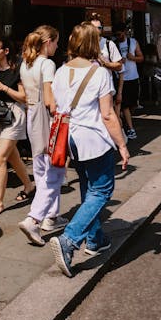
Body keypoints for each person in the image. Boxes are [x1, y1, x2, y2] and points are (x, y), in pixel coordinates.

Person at [49, 22, 129, 277]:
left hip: (70, 138)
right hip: (93, 139)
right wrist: (123, 145)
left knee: (87, 185)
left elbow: (55, 106)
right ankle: (69, 240)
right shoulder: (100, 73)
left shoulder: (61, 71)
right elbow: (107, 115)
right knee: (103, 189)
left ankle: (94, 240)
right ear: (95, 43)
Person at [18, 25, 68, 246]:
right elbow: (49, 97)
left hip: (31, 116)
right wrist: (60, 112)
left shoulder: (25, 64)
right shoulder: (47, 64)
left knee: (40, 169)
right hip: (44, 118)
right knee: (55, 169)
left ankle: (52, 215)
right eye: (56, 42)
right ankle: (35, 219)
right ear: (48, 42)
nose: (58, 46)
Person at [0, 35, 34, 218]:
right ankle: (29, 186)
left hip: (15, 115)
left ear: (6, 51)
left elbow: (25, 98)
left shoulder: (17, 69)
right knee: (13, 158)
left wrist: (4, 88)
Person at [113, 23, 144, 139]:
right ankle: (130, 128)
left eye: (120, 34)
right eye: (116, 35)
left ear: (124, 32)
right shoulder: (114, 45)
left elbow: (141, 58)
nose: (118, 37)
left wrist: (133, 58)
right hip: (121, 78)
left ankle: (125, 119)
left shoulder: (133, 42)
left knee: (133, 104)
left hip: (133, 77)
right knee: (124, 104)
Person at [90, 14, 124, 113]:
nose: (96, 30)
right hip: (89, 87)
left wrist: (105, 64)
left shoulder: (109, 44)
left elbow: (119, 65)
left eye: (99, 28)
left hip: (106, 87)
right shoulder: (85, 44)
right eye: (93, 27)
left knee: (107, 114)